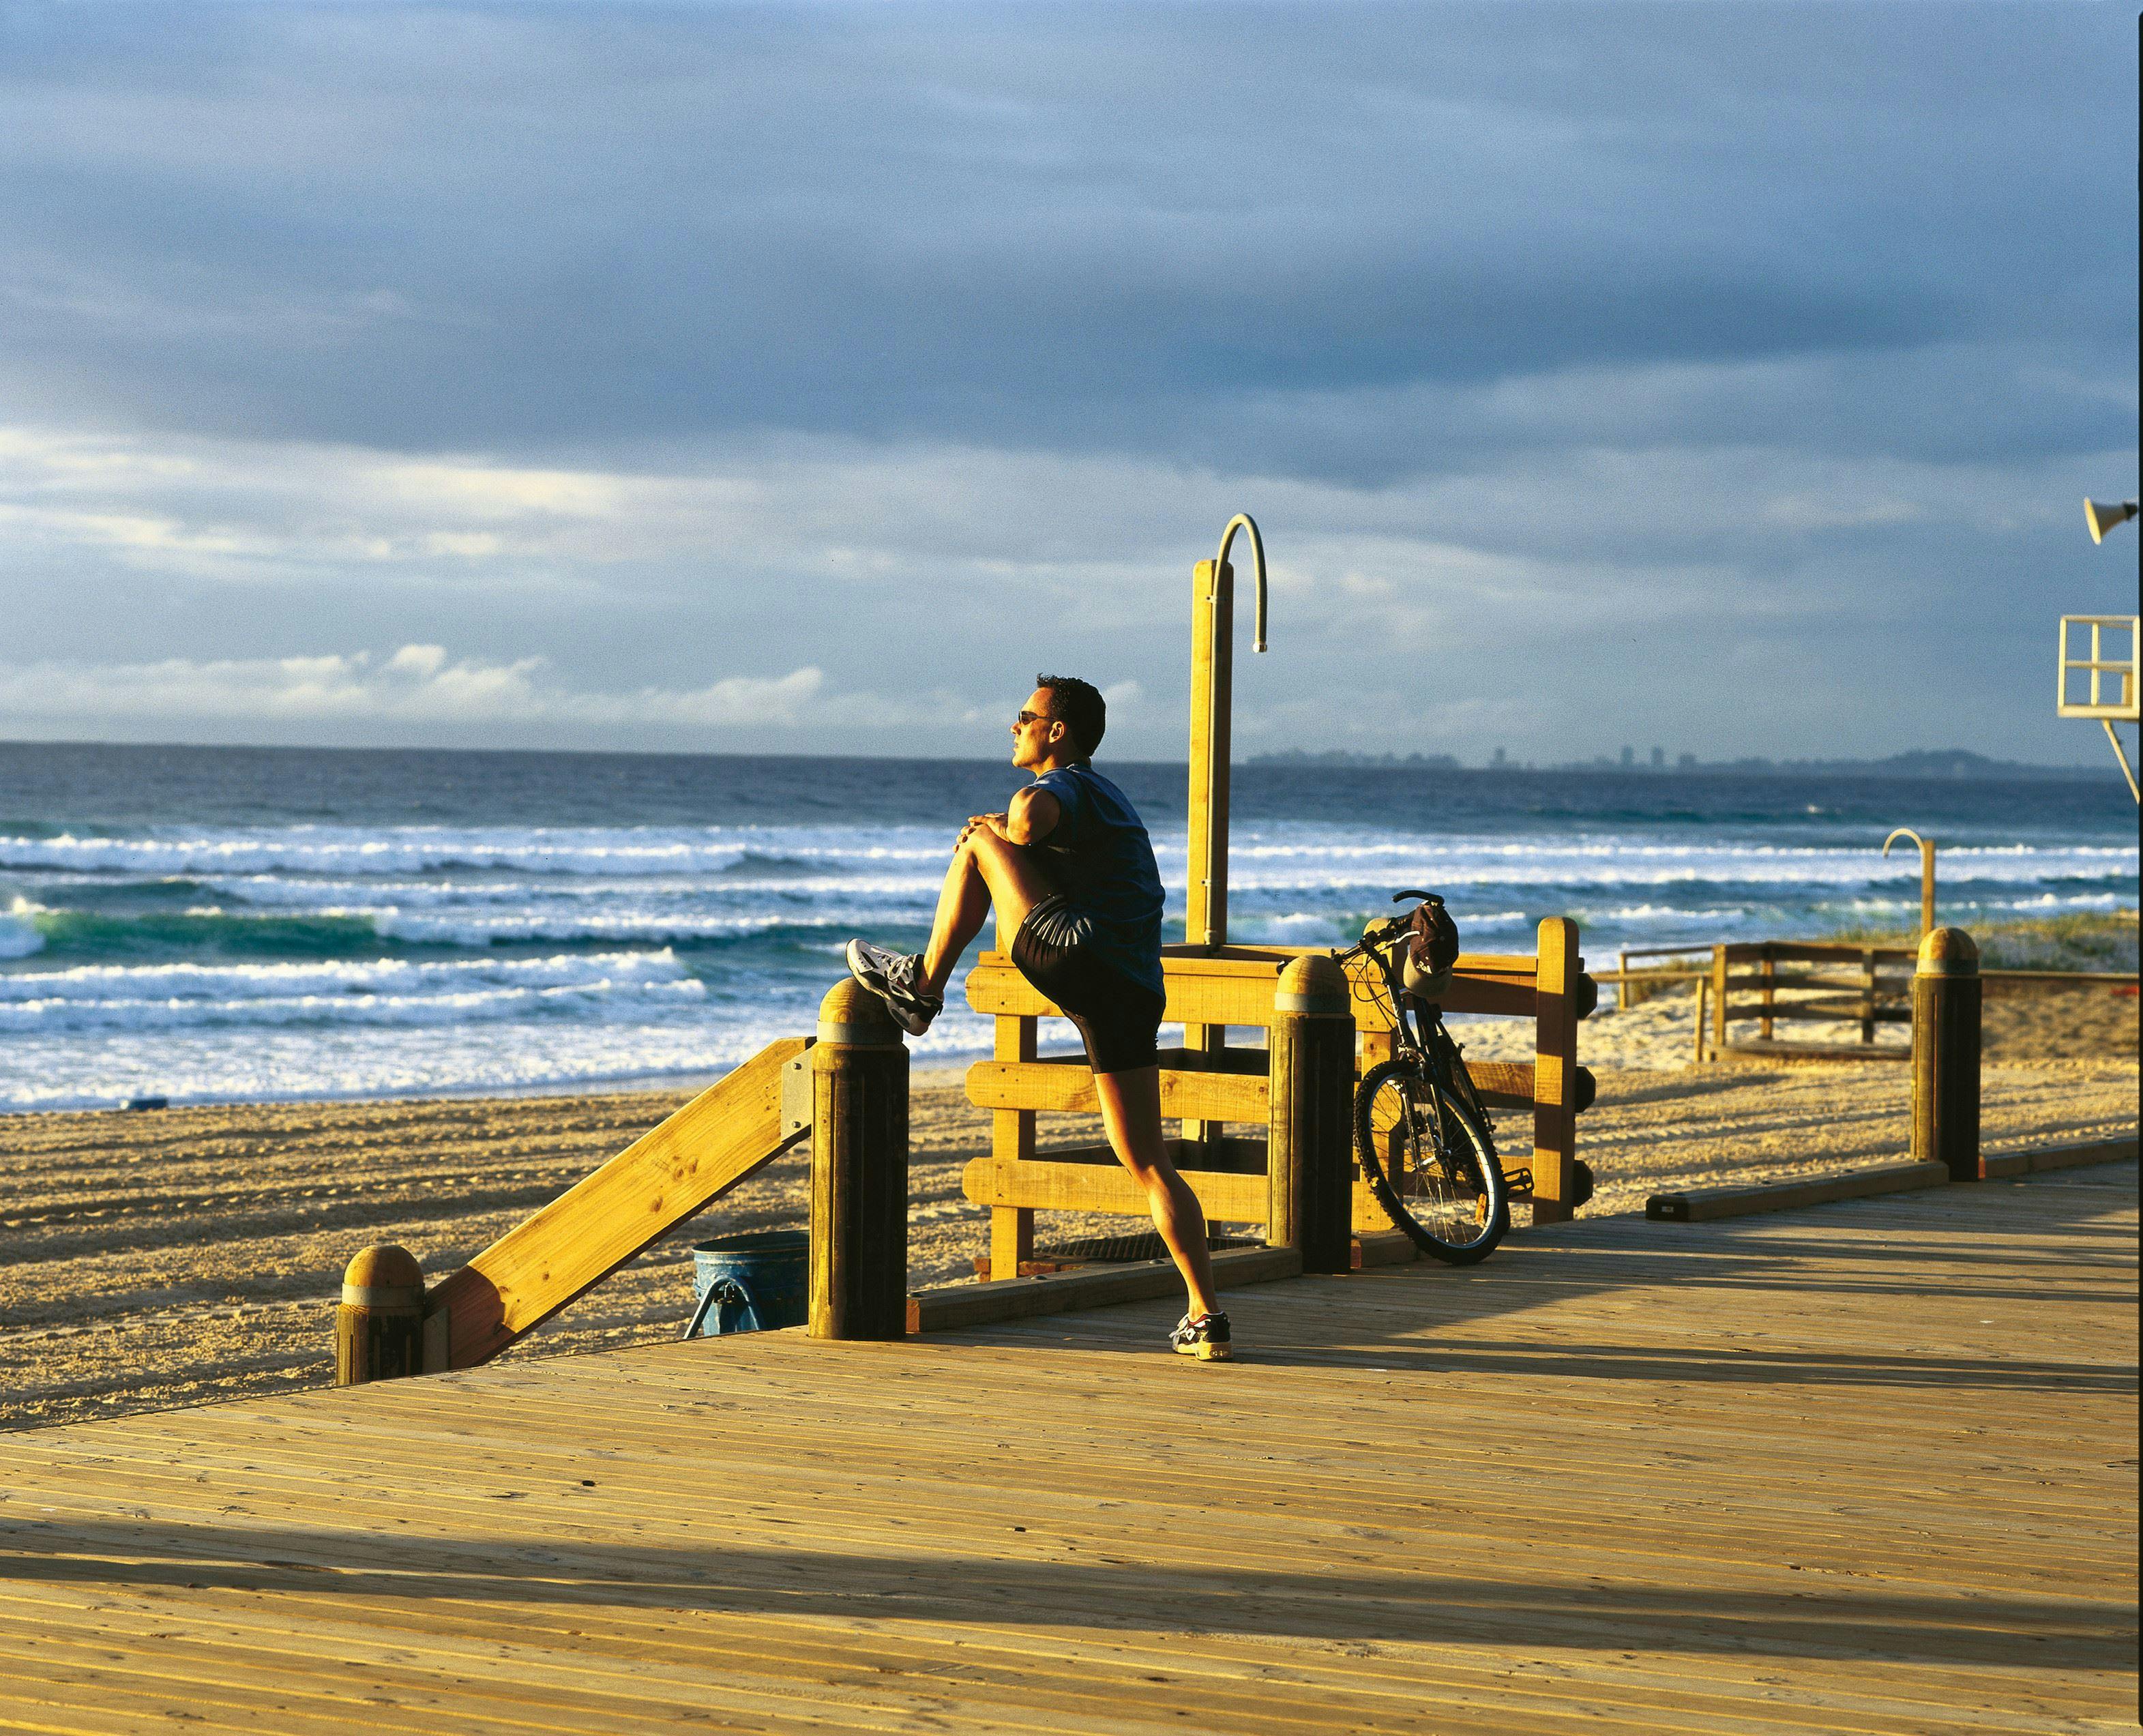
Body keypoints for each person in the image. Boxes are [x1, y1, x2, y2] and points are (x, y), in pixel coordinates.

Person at [844, 675, 1232, 1361]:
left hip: (1078, 952)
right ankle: (1206, 1313)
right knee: (1148, 1161)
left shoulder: (1072, 783)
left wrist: (992, 827)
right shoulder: (1108, 798)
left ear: (1057, 731)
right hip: (1131, 989)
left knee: (977, 841)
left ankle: (922, 986)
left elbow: (1026, 820)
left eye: (1025, 716)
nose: (1014, 725)